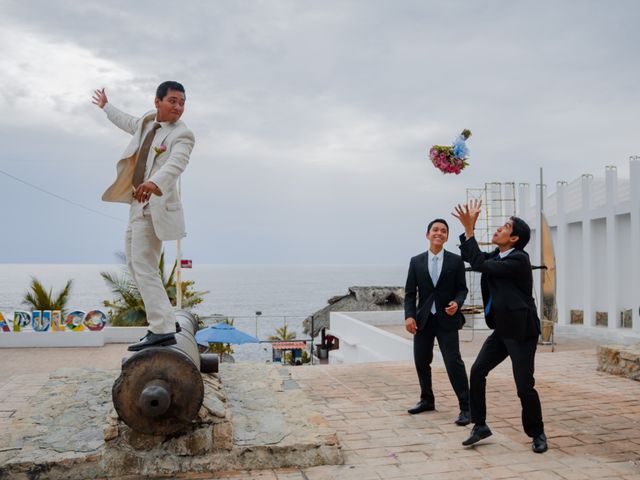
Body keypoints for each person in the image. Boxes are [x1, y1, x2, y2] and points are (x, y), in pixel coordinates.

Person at [92, 81, 195, 352]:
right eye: (173, 100)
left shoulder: (183, 135)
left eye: (182, 102)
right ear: (157, 101)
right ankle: (167, 320)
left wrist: (155, 182)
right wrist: (106, 107)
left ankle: (160, 329)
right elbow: (126, 121)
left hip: (156, 205)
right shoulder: (148, 122)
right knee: (136, 265)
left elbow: (176, 164)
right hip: (136, 203)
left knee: (144, 265)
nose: (178, 106)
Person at [453, 200, 547, 453]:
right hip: (502, 329)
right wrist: (467, 230)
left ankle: (537, 433)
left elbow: (481, 265)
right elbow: (473, 258)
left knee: (524, 386)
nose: (498, 229)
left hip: (522, 332)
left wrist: (471, 231)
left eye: (505, 227)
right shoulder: (499, 254)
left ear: (514, 238)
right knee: (478, 371)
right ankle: (480, 425)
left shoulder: (519, 259)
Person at [404, 218, 471, 426]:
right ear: (427, 234)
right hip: (423, 320)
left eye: (443, 231)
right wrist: (409, 315)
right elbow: (409, 293)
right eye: (435, 230)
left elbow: (462, 289)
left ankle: (466, 408)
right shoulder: (416, 261)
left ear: (447, 236)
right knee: (421, 361)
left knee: (453, 362)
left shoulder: (456, 261)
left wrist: (457, 303)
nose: (439, 233)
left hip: (447, 319)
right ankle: (427, 399)